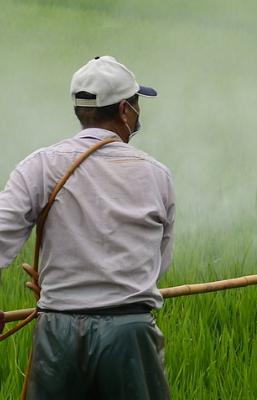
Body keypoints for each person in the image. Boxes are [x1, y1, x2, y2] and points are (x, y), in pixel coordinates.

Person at [0, 56, 175, 399]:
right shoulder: (156, 175)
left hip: (58, 334)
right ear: (125, 110)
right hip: (129, 334)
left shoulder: (39, 166)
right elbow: (158, 265)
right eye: (137, 105)